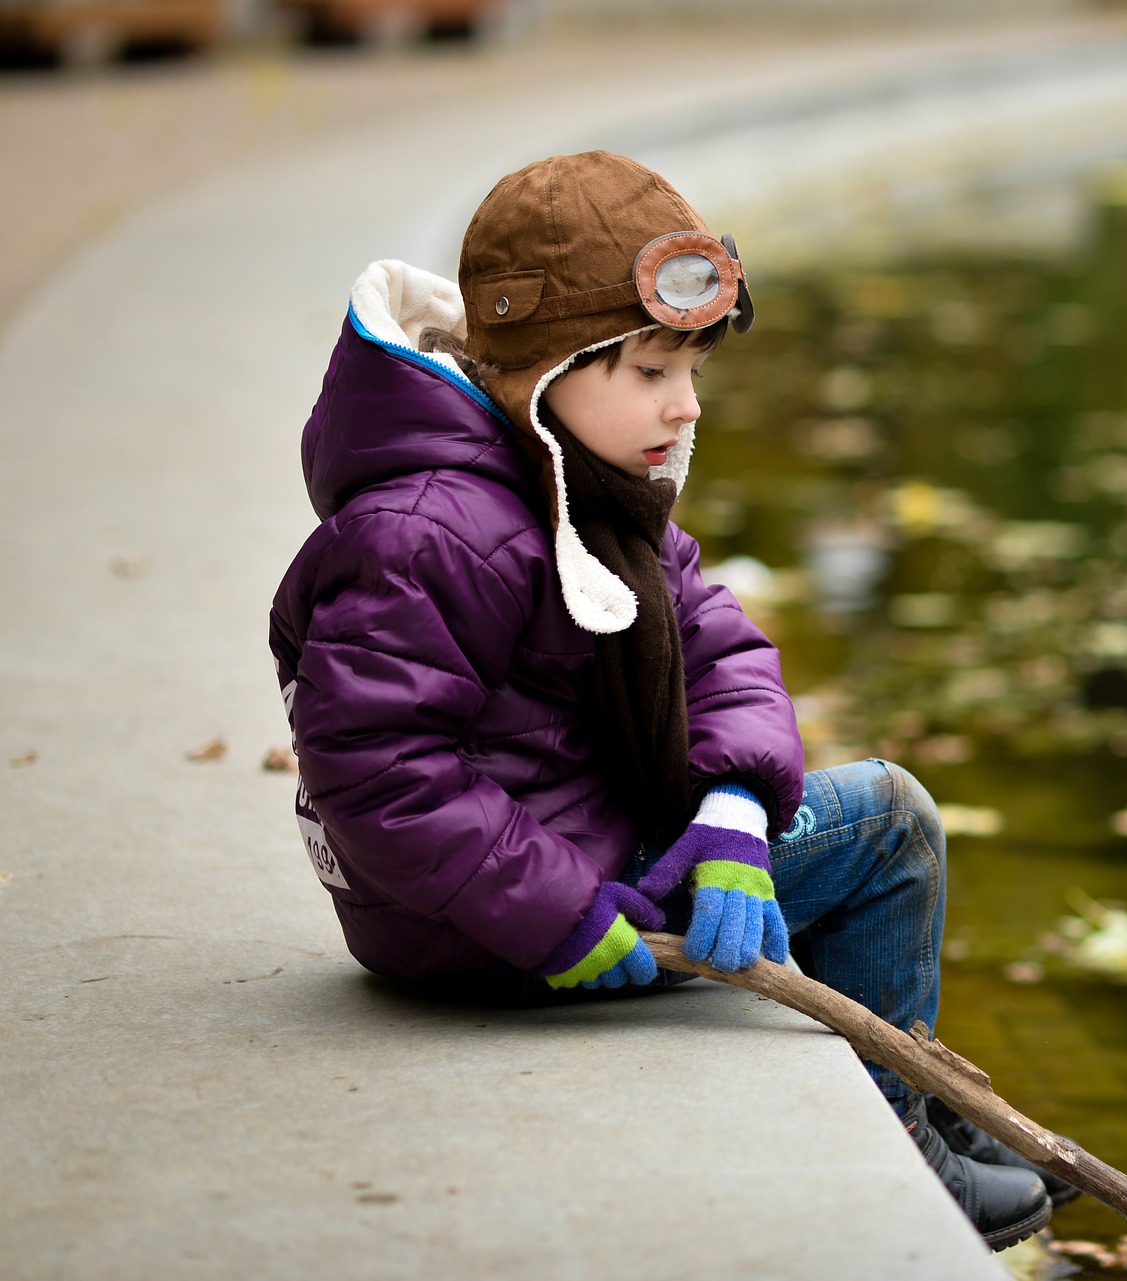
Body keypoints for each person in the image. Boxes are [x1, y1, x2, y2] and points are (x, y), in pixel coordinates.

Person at [267, 151, 1072, 1250]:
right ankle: (906, 1158)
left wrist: (737, 807)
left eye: (690, 369)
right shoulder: (432, 531)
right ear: (547, 368)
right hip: (493, 923)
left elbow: (726, 649)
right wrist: (553, 911)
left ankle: (928, 1103)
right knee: (889, 823)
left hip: (527, 878)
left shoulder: (576, 487)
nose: (684, 405)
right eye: (651, 372)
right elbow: (374, 764)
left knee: (818, 813)